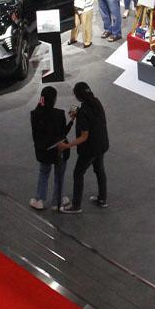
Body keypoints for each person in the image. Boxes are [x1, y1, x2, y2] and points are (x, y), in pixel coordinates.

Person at [59, 82, 109, 213]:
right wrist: (78, 112)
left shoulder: (83, 113)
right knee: (99, 170)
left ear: (78, 96)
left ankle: (76, 206)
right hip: (102, 144)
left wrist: (67, 145)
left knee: (78, 174)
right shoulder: (96, 102)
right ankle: (102, 199)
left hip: (89, 149)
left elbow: (84, 137)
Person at [30, 86, 73, 210]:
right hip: (59, 151)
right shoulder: (59, 114)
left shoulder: (34, 114)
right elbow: (63, 133)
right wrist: (71, 121)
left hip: (44, 152)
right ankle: (56, 201)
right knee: (59, 176)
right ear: (54, 99)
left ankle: (39, 200)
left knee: (44, 173)